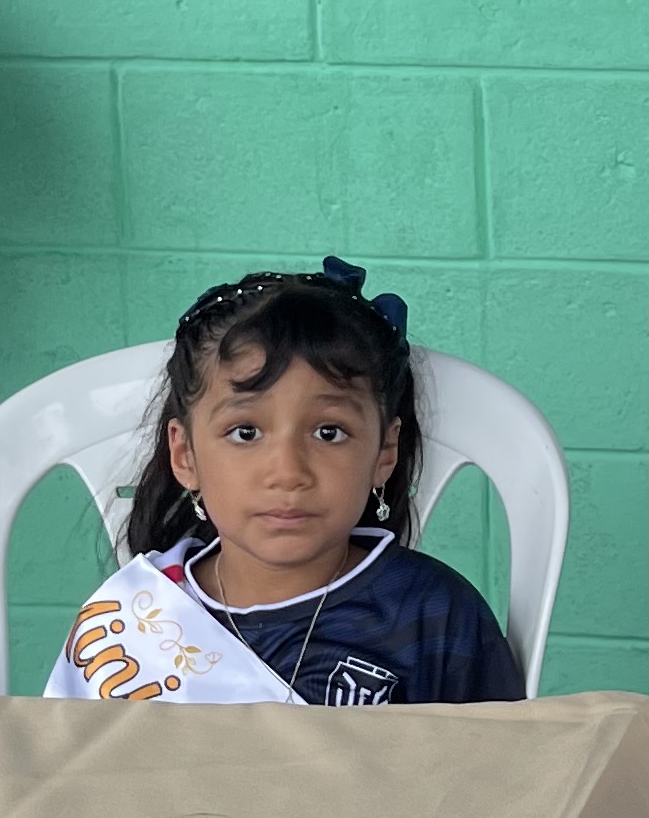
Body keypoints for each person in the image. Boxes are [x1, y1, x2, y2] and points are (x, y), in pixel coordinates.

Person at [47, 261, 524, 709]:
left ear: (384, 451)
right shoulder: (131, 620)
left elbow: (503, 766)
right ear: (185, 455)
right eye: (245, 432)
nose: (288, 471)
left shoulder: (434, 616)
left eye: (329, 432)